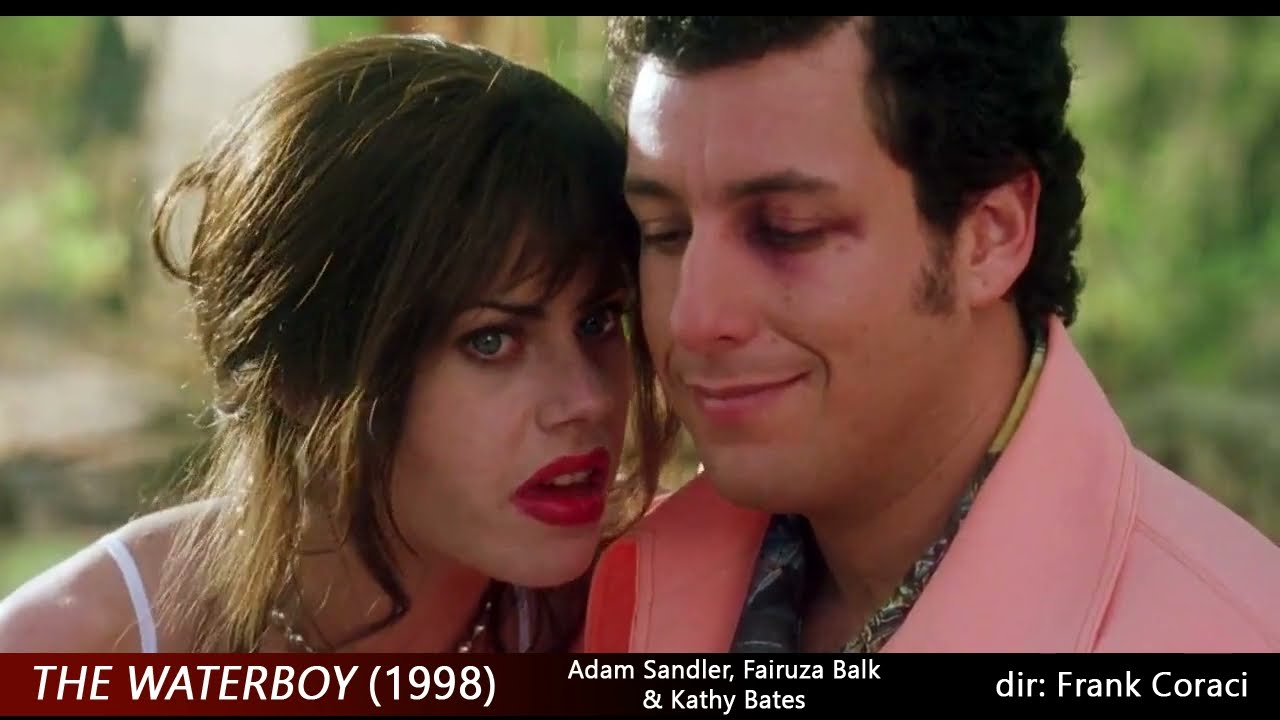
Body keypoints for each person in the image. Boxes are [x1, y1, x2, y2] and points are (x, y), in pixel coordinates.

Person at [580, 16, 1280, 653]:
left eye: (788, 230)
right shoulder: (630, 585)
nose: (693, 319)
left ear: (990, 236)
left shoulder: (1225, 632)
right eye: (664, 233)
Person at [0, 33, 677, 653]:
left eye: (597, 321)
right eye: (492, 341)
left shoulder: (664, 608)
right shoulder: (69, 650)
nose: (588, 398)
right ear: (302, 375)